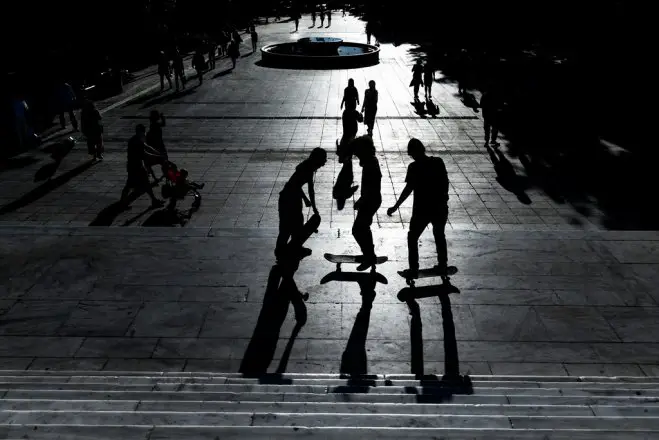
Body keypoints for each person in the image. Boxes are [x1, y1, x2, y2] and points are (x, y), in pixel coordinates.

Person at [387, 138, 450, 277]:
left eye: (411, 154)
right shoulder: (438, 162)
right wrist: (444, 199)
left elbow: (408, 189)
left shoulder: (414, 167)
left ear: (413, 153)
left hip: (422, 210)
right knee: (439, 235)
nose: (412, 157)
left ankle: (414, 268)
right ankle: (442, 265)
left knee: (412, 238)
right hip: (439, 207)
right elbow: (445, 182)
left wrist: (396, 206)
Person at [275, 148, 327, 260]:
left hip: (293, 198)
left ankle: (295, 247)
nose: (322, 165)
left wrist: (310, 203)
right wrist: (309, 203)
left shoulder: (309, 168)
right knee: (286, 227)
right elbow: (296, 185)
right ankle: (280, 251)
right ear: (316, 160)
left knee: (297, 226)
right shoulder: (305, 169)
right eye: (322, 162)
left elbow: (307, 188)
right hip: (287, 199)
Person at [351, 136, 382, 271]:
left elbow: (372, 187)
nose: (356, 155)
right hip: (371, 200)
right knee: (363, 228)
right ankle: (370, 255)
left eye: (358, 153)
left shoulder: (371, 164)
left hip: (370, 201)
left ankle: (369, 256)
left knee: (357, 230)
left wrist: (361, 200)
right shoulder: (371, 161)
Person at [119, 124, 165, 208]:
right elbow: (145, 154)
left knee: (145, 184)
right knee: (129, 185)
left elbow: (147, 147)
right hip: (135, 167)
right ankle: (122, 203)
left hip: (138, 166)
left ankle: (154, 201)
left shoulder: (136, 139)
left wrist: (158, 153)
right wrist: (158, 156)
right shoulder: (136, 141)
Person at [146, 110, 168, 179]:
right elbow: (163, 124)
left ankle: (152, 174)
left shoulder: (153, 125)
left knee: (161, 161)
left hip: (157, 146)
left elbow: (163, 124)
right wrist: (163, 118)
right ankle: (165, 174)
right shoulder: (155, 125)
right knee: (164, 161)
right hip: (158, 146)